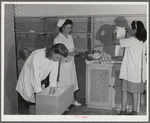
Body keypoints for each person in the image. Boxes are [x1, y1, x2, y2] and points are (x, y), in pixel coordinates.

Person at [16, 43, 69, 113]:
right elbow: (35, 76)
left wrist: (51, 95)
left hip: (40, 80)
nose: (58, 60)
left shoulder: (54, 58)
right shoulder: (37, 55)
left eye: (60, 58)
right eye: (57, 57)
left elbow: (54, 76)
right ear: (52, 52)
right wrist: (39, 95)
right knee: (34, 103)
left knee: (42, 104)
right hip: (28, 80)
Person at [115, 20, 147, 115]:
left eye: (132, 28)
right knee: (135, 93)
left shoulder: (131, 40)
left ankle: (123, 111)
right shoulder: (143, 41)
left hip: (129, 72)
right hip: (139, 73)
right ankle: (134, 112)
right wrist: (130, 31)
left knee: (124, 91)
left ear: (135, 30)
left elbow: (115, 41)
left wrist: (115, 33)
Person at [53, 19, 81, 106]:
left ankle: (73, 100)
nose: (70, 30)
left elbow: (72, 48)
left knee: (73, 82)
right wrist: (70, 53)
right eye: (68, 28)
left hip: (71, 63)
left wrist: (75, 51)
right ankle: (64, 104)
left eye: (71, 28)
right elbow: (57, 52)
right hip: (63, 65)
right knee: (64, 84)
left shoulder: (70, 37)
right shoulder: (57, 39)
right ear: (63, 28)